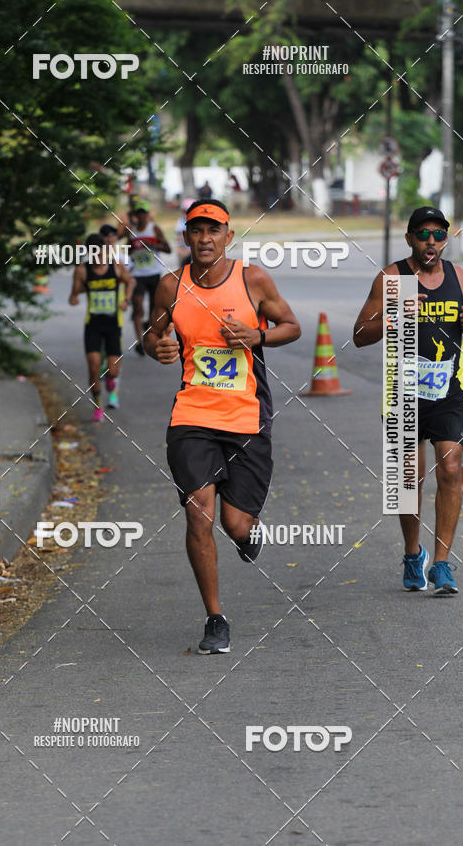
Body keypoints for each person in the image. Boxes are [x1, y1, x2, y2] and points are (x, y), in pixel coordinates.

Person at [144, 199, 301, 653]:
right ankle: (215, 618)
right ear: (187, 238)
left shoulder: (252, 280)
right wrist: (159, 348)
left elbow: (292, 326)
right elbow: (154, 333)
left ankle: (248, 532)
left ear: (228, 236)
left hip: (246, 415)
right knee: (199, 515)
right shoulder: (171, 286)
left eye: (214, 230)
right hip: (192, 415)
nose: (205, 238)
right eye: (196, 231)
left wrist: (259, 336)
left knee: (234, 525)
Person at [354, 206, 463, 595]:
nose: (431, 242)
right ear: (410, 238)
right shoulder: (393, 278)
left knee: (451, 467)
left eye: (439, 235)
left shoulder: (461, 277)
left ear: (446, 239)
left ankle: (442, 564)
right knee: (408, 481)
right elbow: (360, 333)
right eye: (423, 234)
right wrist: (394, 315)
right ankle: (414, 553)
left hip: (449, 391)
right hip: (403, 393)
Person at [69, 233, 134, 421]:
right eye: (93, 254)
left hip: (113, 325)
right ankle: (98, 407)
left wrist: (126, 299)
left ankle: (111, 381)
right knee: (93, 366)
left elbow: (130, 280)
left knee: (112, 371)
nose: (97, 257)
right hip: (93, 325)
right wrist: (74, 297)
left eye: (100, 253)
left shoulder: (115, 266)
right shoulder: (82, 270)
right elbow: (75, 292)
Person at [116, 200, 170, 356]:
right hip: (138, 274)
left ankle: (149, 326)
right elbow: (127, 249)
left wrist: (153, 245)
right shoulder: (131, 231)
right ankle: (139, 342)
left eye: (144, 213)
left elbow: (167, 248)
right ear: (135, 215)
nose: (142, 216)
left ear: (148, 214)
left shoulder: (154, 229)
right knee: (138, 306)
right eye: (138, 213)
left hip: (154, 273)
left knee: (154, 308)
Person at [175, 197, 194, 266]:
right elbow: (179, 238)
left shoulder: (198, 222)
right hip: (185, 251)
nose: (186, 213)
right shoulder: (181, 222)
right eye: (185, 211)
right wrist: (180, 249)